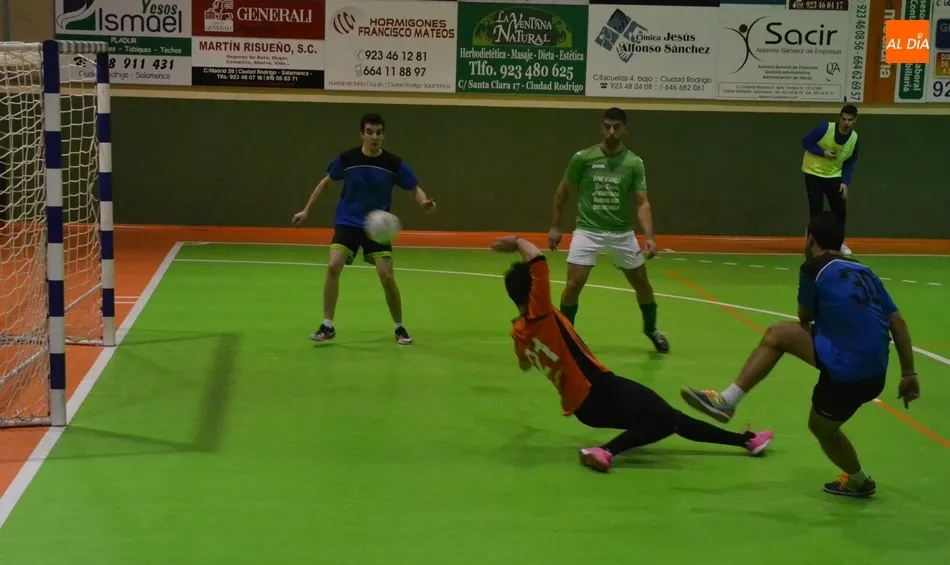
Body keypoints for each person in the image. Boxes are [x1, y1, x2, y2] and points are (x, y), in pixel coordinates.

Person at [679, 212, 921, 498]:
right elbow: (898, 323)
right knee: (821, 419)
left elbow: (804, 315)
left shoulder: (813, 268)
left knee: (783, 345)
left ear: (810, 239)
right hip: (876, 371)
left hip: (846, 369)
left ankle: (728, 401)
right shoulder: (865, 271)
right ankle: (858, 481)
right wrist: (908, 373)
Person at [492, 234, 773, 472]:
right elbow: (537, 258)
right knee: (664, 419)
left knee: (667, 418)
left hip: (583, 409)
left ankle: (746, 441)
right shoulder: (540, 312)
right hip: (597, 388)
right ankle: (605, 452)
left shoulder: (520, 332)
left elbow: (524, 364)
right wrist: (516, 242)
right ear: (533, 290)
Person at [292, 113, 436, 345]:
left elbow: (414, 188)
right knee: (333, 266)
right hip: (348, 222)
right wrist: (306, 210)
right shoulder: (347, 158)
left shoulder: (393, 163)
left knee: (386, 276)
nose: (374, 137)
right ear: (362, 135)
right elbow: (325, 183)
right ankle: (327, 325)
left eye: (379, 133)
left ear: (383, 136)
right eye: (369, 132)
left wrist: (424, 203)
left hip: (377, 227)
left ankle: (399, 327)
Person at [548, 107, 668, 354]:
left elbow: (642, 203)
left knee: (642, 284)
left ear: (625, 130)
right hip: (587, 231)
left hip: (621, 234)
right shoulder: (582, 158)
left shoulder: (634, 163)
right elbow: (562, 192)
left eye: (616, 127)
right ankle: (565, 336)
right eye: (607, 126)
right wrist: (556, 226)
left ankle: (651, 329)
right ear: (601, 128)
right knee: (573, 285)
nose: (611, 131)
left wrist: (649, 237)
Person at [801, 104, 860, 256]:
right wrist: (822, 152)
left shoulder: (854, 139)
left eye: (850, 120)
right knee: (816, 211)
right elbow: (805, 141)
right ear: (840, 118)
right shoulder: (825, 128)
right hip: (813, 172)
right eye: (844, 119)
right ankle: (813, 244)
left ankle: (839, 243)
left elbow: (850, 162)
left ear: (855, 121)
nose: (846, 123)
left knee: (840, 210)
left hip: (834, 175)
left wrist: (845, 182)